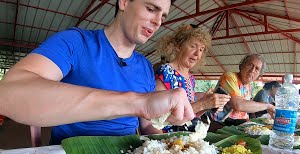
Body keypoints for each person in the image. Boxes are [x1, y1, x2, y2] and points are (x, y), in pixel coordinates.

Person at [0, 0, 195, 145]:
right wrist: (137, 102)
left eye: (163, 16)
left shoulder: (145, 66)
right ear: (124, 2)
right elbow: (8, 92)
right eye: (151, 9)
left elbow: (146, 126)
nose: (157, 21)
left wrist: (174, 145)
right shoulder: (76, 42)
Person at [151, 24, 231, 132]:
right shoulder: (165, 72)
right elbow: (161, 117)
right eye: (193, 46)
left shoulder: (191, 78)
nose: (197, 54)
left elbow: (190, 114)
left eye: (201, 49)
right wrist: (202, 104)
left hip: (185, 134)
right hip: (168, 136)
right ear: (178, 46)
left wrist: (208, 105)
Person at [213, 53, 275, 124]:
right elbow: (238, 105)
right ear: (242, 65)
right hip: (221, 124)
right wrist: (267, 106)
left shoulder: (248, 86)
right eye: (250, 65)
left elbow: (246, 109)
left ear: (258, 75)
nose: (252, 70)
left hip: (239, 124)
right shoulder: (229, 77)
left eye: (257, 69)